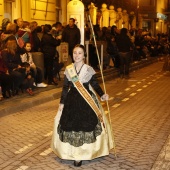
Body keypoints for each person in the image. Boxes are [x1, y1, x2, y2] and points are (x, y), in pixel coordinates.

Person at [51, 44, 114, 167]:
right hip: (71, 100)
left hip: (86, 101)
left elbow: (95, 85)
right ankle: (74, 155)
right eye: (75, 53)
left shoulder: (88, 69)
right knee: (71, 126)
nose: (77, 55)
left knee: (85, 126)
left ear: (84, 55)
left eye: (80, 53)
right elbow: (65, 88)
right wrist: (62, 103)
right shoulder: (69, 69)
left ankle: (84, 154)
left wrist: (102, 95)